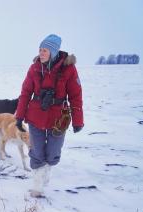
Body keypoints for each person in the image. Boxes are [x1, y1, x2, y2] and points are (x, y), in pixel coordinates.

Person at [15, 34, 84, 198]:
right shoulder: (34, 68)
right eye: (40, 49)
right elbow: (25, 93)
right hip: (35, 116)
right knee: (37, 152)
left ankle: (46, 171)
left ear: (53, 51)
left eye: (44, 50)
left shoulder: (69, 69)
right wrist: (19, 116)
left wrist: (78, 120)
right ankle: (37, 186)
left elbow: (76, 95)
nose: (41, 53)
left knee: (52, 154)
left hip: (58, 119)